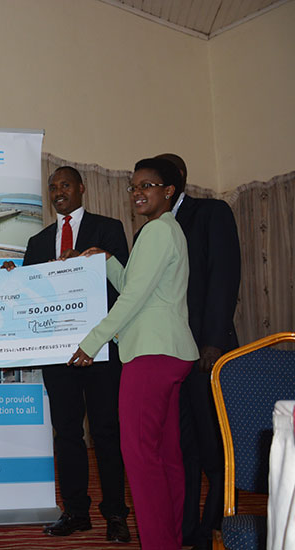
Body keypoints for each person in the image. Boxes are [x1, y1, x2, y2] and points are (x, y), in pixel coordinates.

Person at [69, 157, 199, 550]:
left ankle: (158, 543)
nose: (138, 193)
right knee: (165, 455)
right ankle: (171, 539)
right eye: (134, 187)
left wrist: (92, 341)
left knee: (140, 458)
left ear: (169, 191)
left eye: (148, 186)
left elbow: (133, 299)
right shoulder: (163, 231)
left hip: (151, 354)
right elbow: (136, 285)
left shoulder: (158, 232)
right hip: (172, 351)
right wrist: (106, 260)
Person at [7, 166, 131, 542]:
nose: (58, 191)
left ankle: (115, 515)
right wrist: (13, 277)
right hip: (57, 355)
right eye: (52, 187)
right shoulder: (38, 241)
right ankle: (76, 511)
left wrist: (93, 260)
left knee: (107, 433)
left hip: (99, 351)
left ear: (80, 188)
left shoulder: (108, 229)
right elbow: (29, 296)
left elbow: (125, 284)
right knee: (67, 434)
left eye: (65, 185)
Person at [156, 153, 241, 550]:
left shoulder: (211, 212)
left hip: (207, 351)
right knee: (182, 446)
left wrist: (214, 341)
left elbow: (224, 275)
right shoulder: (151, 231)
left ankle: (216, 525)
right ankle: (189, 528)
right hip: (171, 356)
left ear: (177, 180)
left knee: (215, 446)